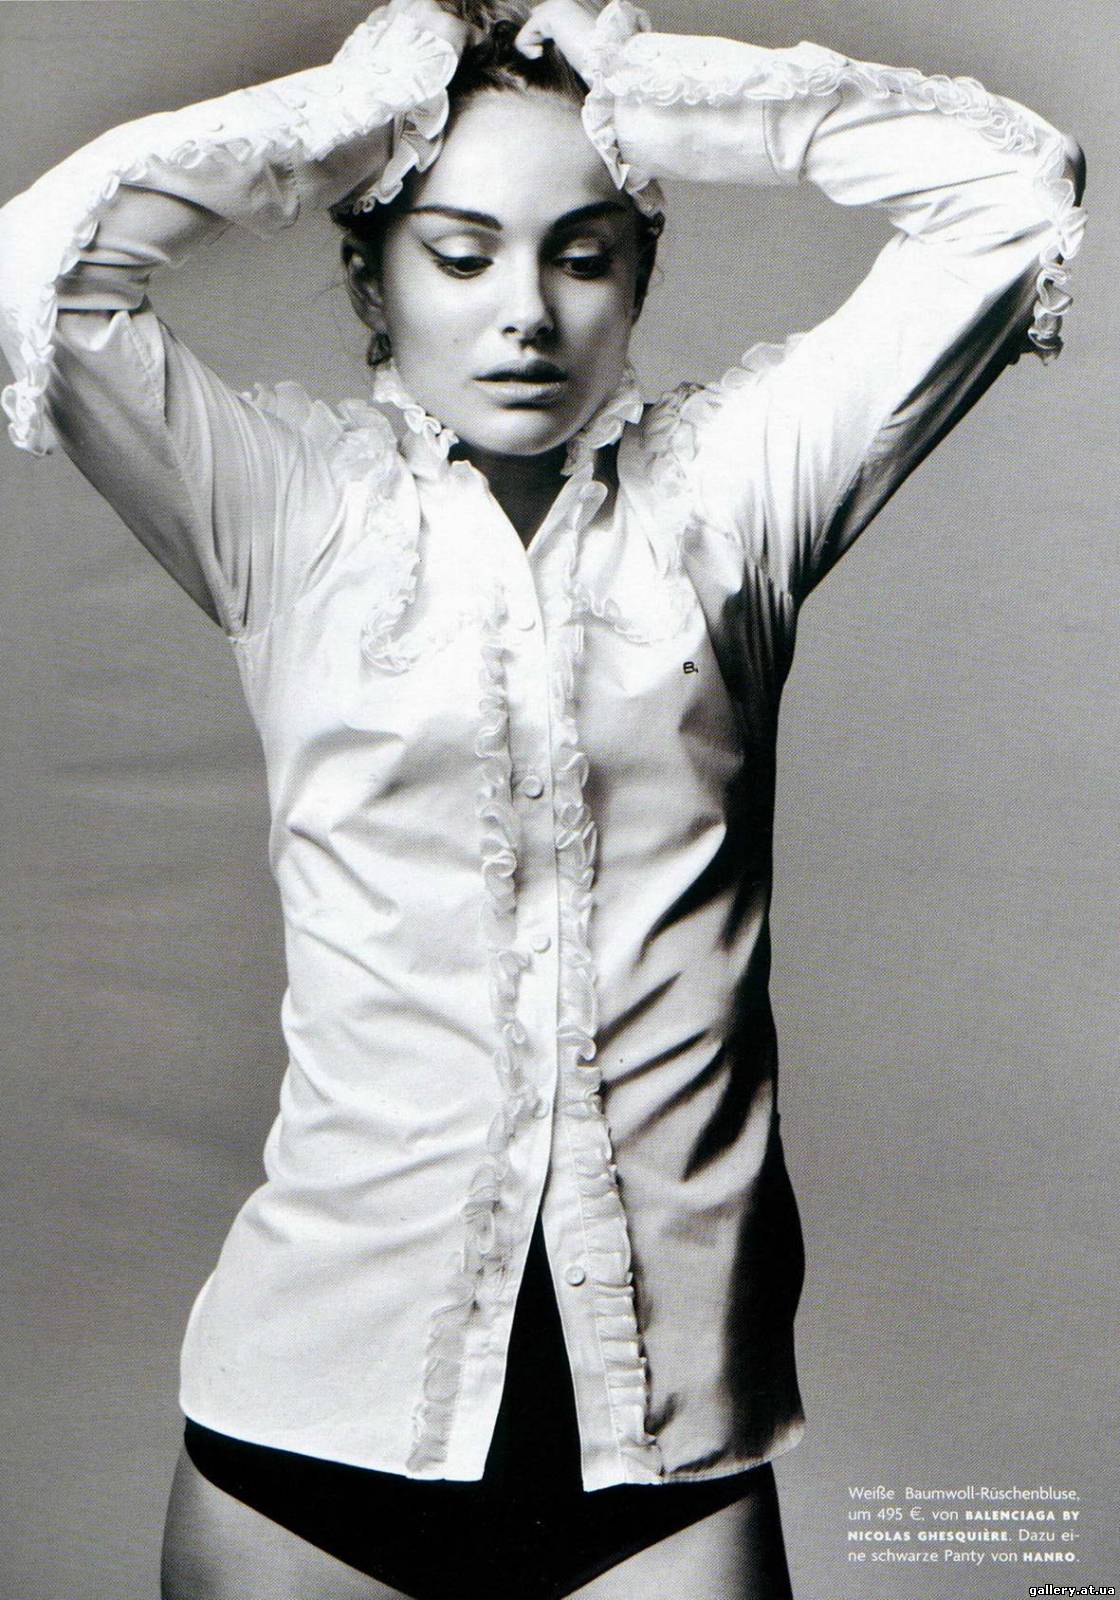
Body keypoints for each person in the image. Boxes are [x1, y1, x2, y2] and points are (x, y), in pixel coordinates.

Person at [0, 0, 1086, 1595]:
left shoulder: (732, 504)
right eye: (460, 254)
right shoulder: (288, 514)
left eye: (583, 255)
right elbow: (40, 274)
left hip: (667, 1450)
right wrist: (347, 117)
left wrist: (651, 92)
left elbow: (1012, 197)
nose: (527, 313)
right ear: (372, 274)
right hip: (306, 1433)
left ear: (639, 273)